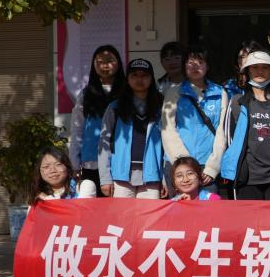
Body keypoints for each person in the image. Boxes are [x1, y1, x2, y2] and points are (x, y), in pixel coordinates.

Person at [21, 147, 93, 277]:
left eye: (58, 164)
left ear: (67, 166)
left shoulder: (85, 185)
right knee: (34, 254)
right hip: (52, 251)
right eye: (46, 167)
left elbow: (76, 215)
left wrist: (46, 201)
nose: (52, 170)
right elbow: (30, 232)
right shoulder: (36, 199)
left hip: (80, 249)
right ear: (39, 172)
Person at [216, 50, 270, 200]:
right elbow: (229, 138)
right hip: (248, 177)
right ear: (247, 71)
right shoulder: (237, 102)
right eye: (254, 67)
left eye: (265, 67)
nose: (260, 71)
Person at [160, 44, 227, 196]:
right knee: (180, 209)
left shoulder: (220, 92)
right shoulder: (174, 92)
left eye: (200, 62)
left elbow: (222, 131)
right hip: (178, 165)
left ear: (207, 66)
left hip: (206, 167)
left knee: (209, 208)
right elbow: (168, 131)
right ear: (184, 66)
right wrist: (184, 164)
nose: (195, 66)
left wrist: (213, 167)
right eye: (190, 62)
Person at [98, 58, 165, 199]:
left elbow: (168, 145)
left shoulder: (161, 107)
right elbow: (104, 144)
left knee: (150, 214)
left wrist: (166, 178)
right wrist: (105, 178)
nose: (139, 79)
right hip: (121, 175)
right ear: (127, 79)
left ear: (151, 79)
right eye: (134, 75)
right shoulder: (115, 108)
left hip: (152, 174)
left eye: (144, 75)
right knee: (123, 213)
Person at [68, 43, 122, 196]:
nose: (105, 65)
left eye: (110, 60)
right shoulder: (86, 94)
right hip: (92, 161)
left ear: (119, 63)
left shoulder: (126, 92)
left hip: (121, 161)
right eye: (100, 61)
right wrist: (74, 162)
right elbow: (77, 128)